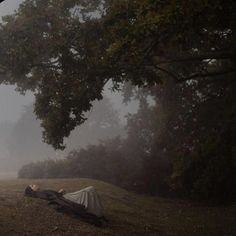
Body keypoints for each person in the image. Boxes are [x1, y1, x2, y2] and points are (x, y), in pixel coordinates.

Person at [24, 184, 106, 226]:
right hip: (66, 198)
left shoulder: (41, 192)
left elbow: (52, 195)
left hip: (64, 197)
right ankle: (97, 213)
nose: (34, 184)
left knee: (90, 190)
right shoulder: (39, 194)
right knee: (90, 190)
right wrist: (60, 193)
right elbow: (53, 198)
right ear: (32, 190)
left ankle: (97, 212)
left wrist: (60, 192)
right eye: (32, 185)